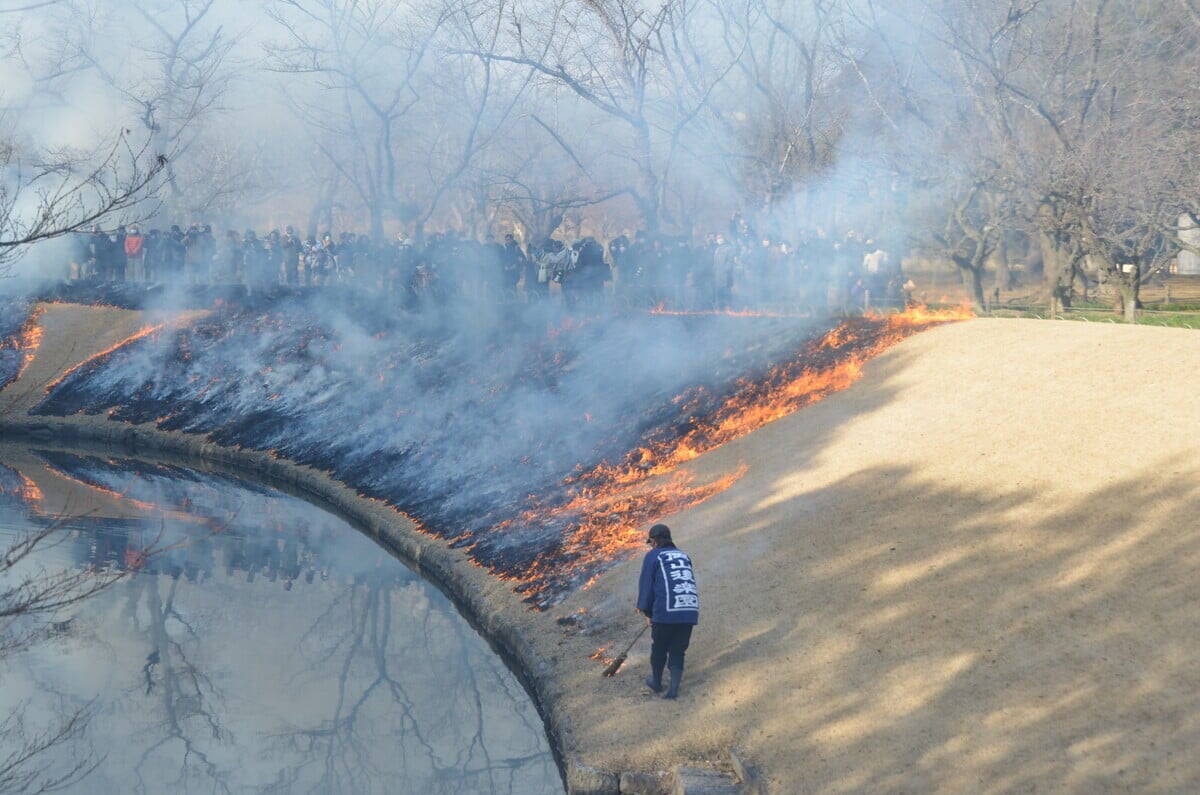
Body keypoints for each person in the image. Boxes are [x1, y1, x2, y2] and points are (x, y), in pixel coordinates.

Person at [636, 523, 699, 699]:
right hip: (688, 609)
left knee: (659, 649)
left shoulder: (653, 556)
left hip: (666, 611)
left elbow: (647, 586)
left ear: (654, 541)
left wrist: (648, 613)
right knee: (678, 650)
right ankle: (673, 690)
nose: (651, 545)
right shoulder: (684, 556)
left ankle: (656, 683)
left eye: (651, 542)